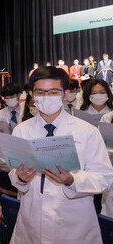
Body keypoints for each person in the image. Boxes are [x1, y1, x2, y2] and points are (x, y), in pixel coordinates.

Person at [9, 66, 113, 243]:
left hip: (75, 226)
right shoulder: (21, 130)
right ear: (32, 95)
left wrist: (72, 180)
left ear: (65, 94)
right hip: (31, 223)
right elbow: (14, 171)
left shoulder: (87, 131)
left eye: (53, 92)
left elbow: (104, 178)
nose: (46, 97)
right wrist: (21, 178)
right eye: (40, 92)